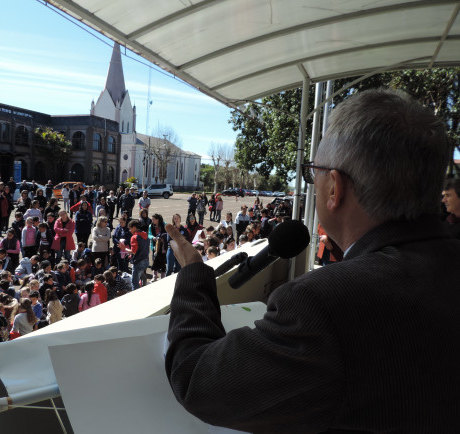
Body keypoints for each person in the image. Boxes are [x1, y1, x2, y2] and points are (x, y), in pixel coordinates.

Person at [164, 89, 460, 432]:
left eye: (312, 172)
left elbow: (197, 381)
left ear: (335, 188)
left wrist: (194, 274)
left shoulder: (325, 304)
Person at [118, 219, 149, 291]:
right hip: (146, 260)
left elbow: (133, 251)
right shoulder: (145, 234)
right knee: (142, 276)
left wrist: (124, 248)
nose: (129, 230)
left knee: (134, 282)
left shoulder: (134, 237)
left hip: (138, 262)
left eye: (130, 228)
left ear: (134, 227)